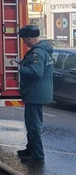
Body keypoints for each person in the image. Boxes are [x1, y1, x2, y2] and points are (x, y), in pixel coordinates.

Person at [17, 25, 53, 162]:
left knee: (33, 125)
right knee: (33, 124)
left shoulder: (37, 53)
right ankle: (30, 149)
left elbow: (35, 73)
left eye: (24, 39)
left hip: (35, 93)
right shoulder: (44, 50)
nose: (23, 42)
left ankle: (37, 156)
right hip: (38, 92)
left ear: (29, 38)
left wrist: (20, 68)